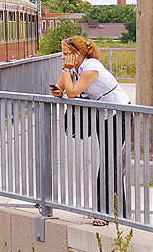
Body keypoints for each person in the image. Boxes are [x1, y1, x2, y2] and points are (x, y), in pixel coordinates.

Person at [51, 35, 130, 226]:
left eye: (66, 54)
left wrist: (66, 73)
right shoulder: (76, 68)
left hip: (117, 114)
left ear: (77, 55)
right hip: (103, 115)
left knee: (109, 163)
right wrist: (58, 89)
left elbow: (71, 92)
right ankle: (120, 212)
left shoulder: (91, 67)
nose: (63, 58)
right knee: (110, 163)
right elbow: (61, 88)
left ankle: (104, 213)